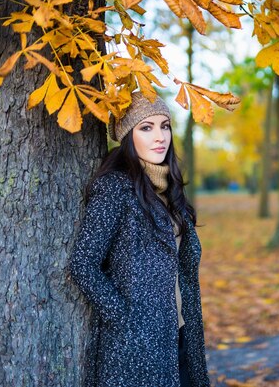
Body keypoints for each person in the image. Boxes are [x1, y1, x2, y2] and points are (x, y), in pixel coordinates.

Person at [67, 92, 210, 387]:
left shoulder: (169, 191)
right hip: (135, 345)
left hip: (180, 334)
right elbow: (83, 263)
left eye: (165, 126)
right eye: (146, 128)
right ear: (127, 135)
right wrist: (125, 317)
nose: (160, 136)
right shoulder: (115, 187)